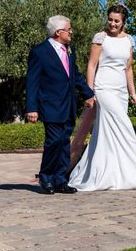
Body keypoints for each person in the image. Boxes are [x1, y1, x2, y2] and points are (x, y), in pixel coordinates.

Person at [68, 4, 136, 191]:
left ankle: (117, 174)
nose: (112, 23)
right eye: (110, 19)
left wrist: (133, 95)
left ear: (123, 22)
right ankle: (106, 175)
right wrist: (90, 92)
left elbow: (128, 69)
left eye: (117, 21)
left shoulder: (129, 40)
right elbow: (91, 65)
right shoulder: (100, 38)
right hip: (104, 88)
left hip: (121, 91)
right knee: (125, 127)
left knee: (107, 132)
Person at [26, 15, 95, 194]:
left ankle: (60, 180)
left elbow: (75, 76)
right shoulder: (40, 51)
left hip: (68, 105)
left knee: (64, 142)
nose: (71, 32)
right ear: (58, 32)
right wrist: (31, 108)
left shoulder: (69, 50)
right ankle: (46, 177)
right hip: (50, 106)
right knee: (54, 141)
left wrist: (89, 94)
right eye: (69, 30)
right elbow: (32, 81)